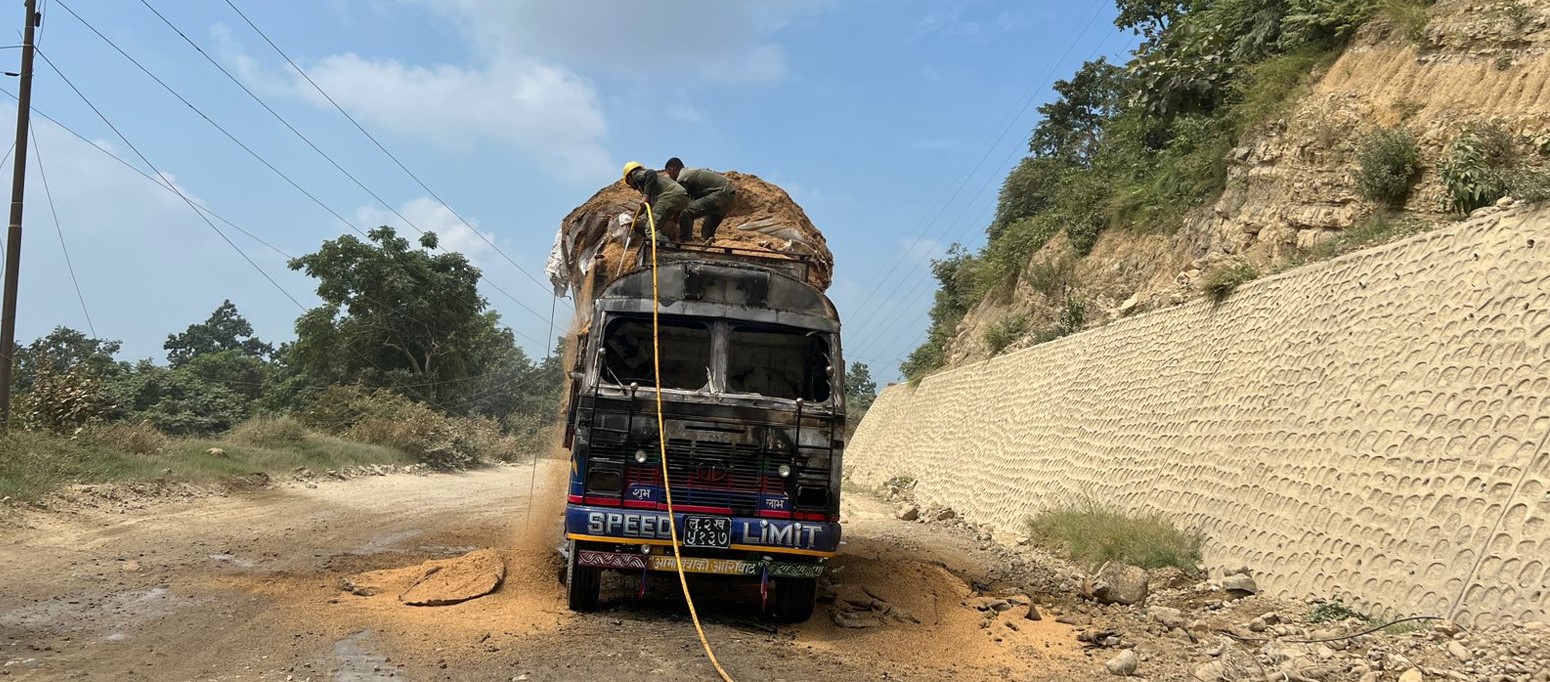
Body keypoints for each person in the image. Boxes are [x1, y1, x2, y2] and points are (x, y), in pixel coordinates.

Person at [664, 157, 736, 243]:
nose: (670, 177)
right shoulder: (691, 172)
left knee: (686, 213)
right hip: (730, 197)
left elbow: (678, 200)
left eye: (669, 174)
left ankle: (685, 243)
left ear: (672, 169)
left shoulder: (683, 176)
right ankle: (709, 246)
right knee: (706, 231)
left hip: (720, 194)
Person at [622, 161, 688, 244]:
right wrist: (636, 216)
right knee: (655, 225)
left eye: (628, 183)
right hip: (682, 197)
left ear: (629, 177)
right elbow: (649, 208)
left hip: (670, 195)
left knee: (650, 229)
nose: (631, 186)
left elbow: (651, 173)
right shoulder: (650, 186)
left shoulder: (636, 174)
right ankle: (667, 244)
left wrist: (646, 196)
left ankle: (667, 251)